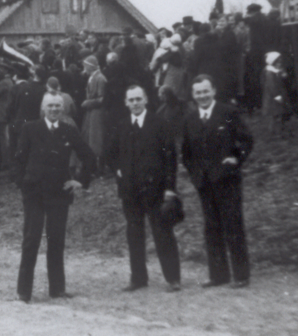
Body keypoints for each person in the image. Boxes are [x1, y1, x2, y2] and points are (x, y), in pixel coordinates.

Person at [13, 93, 97, 303]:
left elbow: (88, 156)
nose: (54, 109)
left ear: (63, 109)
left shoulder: (69, 130)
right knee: (31, 240)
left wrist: (80, 181)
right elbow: (19, 159)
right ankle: (24, 292)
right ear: (43, 108)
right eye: (50, 106)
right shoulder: (30, 128)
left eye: (58, 106)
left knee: (56, 240)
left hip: (59, 192)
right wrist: (23, 184)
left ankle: (57, 289)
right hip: (34, 193)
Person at [105, 85, 181, 292]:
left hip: (155, 189)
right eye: (131, 100)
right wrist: (118, 170)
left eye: (139, 99)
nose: (135, 103)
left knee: (162, 232)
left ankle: (173, 278)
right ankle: (138, 278)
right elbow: (110, 153)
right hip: (130, 190)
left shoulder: (159, 123)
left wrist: (169, 188)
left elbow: (170, 158)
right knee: (134, 234)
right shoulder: (121, 125)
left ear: (146, 99)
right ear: (126, 103)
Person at [181, 75, 253, 288]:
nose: (202, 96)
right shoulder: (190, 119)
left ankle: (241, 275)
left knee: (233, 225)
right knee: (211, 227)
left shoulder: (228, 113)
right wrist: (195, 173)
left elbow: (247, 140)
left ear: (213, 91)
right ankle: (218, 275)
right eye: (198, 93)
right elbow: (186, 153)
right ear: (193, 95)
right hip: (204, 182)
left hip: (227, 179)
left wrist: (236, 158)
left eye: (205, 91)